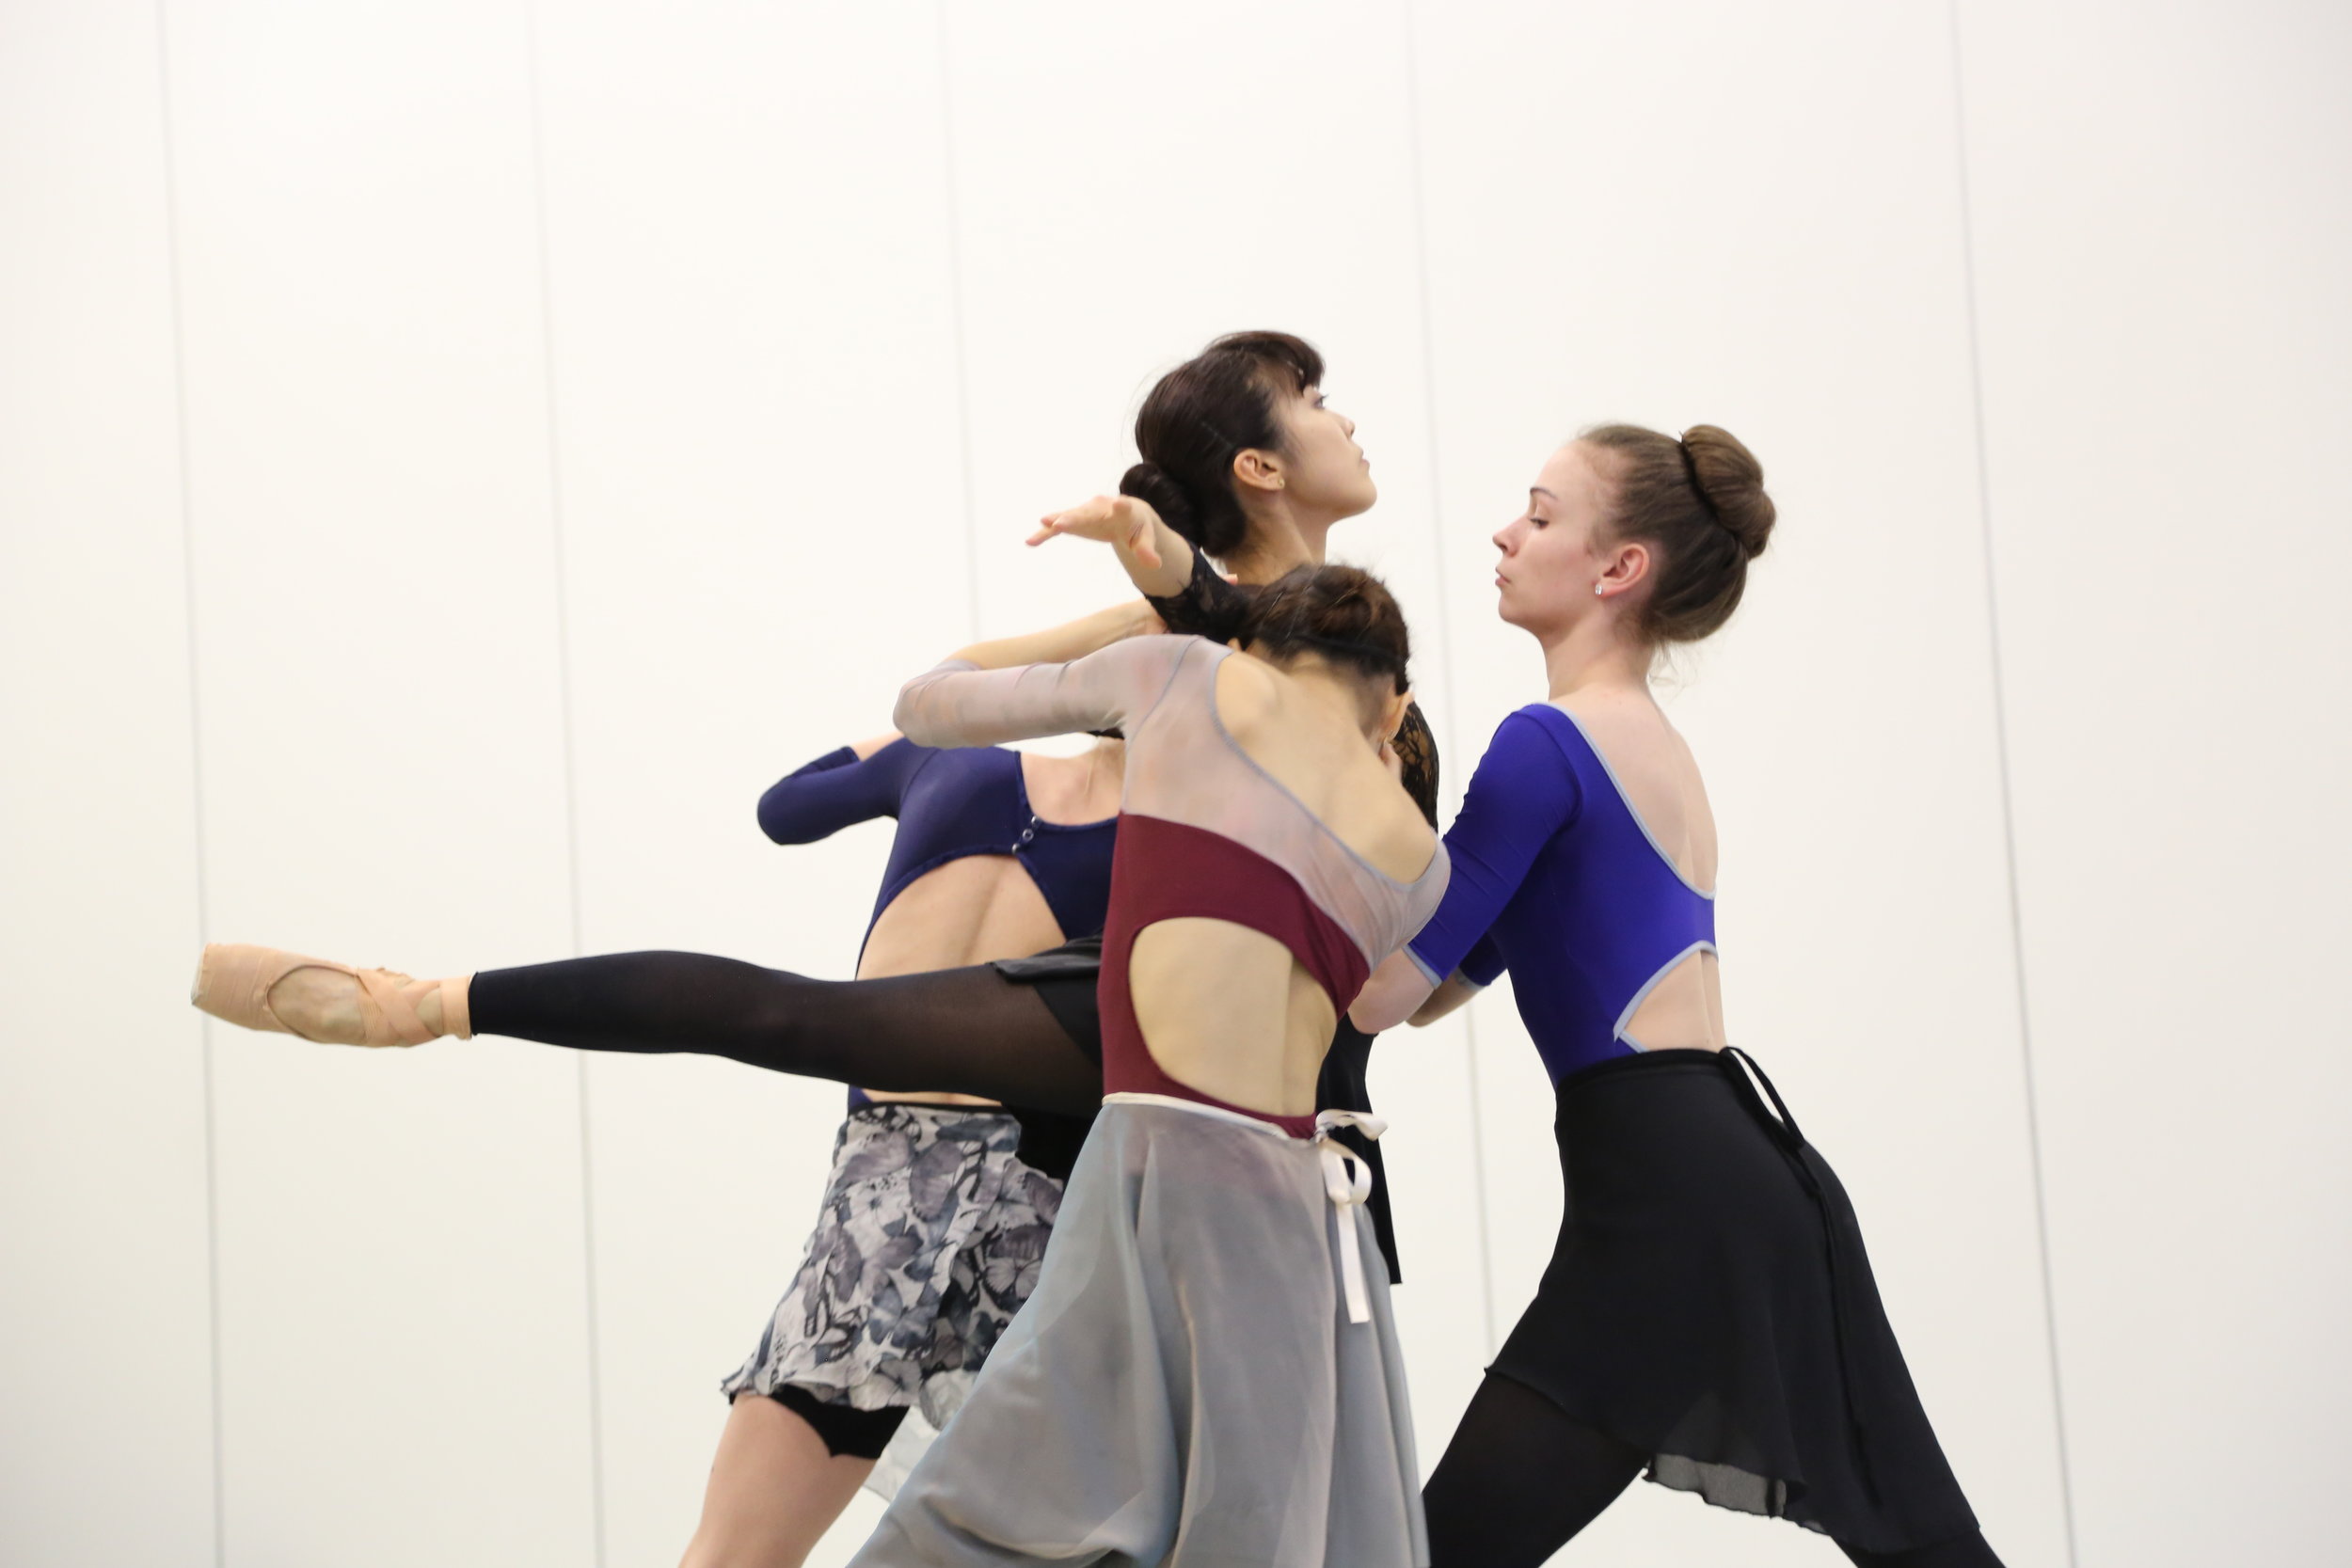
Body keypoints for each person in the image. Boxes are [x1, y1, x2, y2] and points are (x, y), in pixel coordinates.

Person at [189, 330, 1430, 1283]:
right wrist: (1146, 619)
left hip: (1303, 1096)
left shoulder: (1371, 663)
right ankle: (423, 1003)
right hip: (1153, 1026)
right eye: (1318, 401)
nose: (1349, 417)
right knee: (801, 1018)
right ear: (1260, 465)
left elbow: (1406, 916)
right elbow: (945, 690)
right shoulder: (1169, 629)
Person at [1348, 425, 2008, 1567]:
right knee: (1920, 1540)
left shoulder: (1543, 742)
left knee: (1437, 1552)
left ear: (1618, 569)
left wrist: (1329, 814)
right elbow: (1446, 984)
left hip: (1670, 1192)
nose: (1506, 534)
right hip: (1738, 1168)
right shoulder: (1644, 742)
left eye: (1542, 515)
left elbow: (1376, 994)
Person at [849, 562, 1445, 1567]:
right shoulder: (1420, 859)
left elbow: (924, 703)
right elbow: (1378, 995)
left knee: (991, 1496)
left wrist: (1116, 625)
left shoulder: (1178, 673)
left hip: (1151, 1157)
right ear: (1394, 697)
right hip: (1290, 1201)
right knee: (1241, 1529)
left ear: (1256, 648)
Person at [683, 725, 1120, 1568]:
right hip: (1027, 1206)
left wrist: (961, 708)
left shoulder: (943, 759)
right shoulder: (1182, 839)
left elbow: (787, 808)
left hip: (882, 1199)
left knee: (735, 1552)